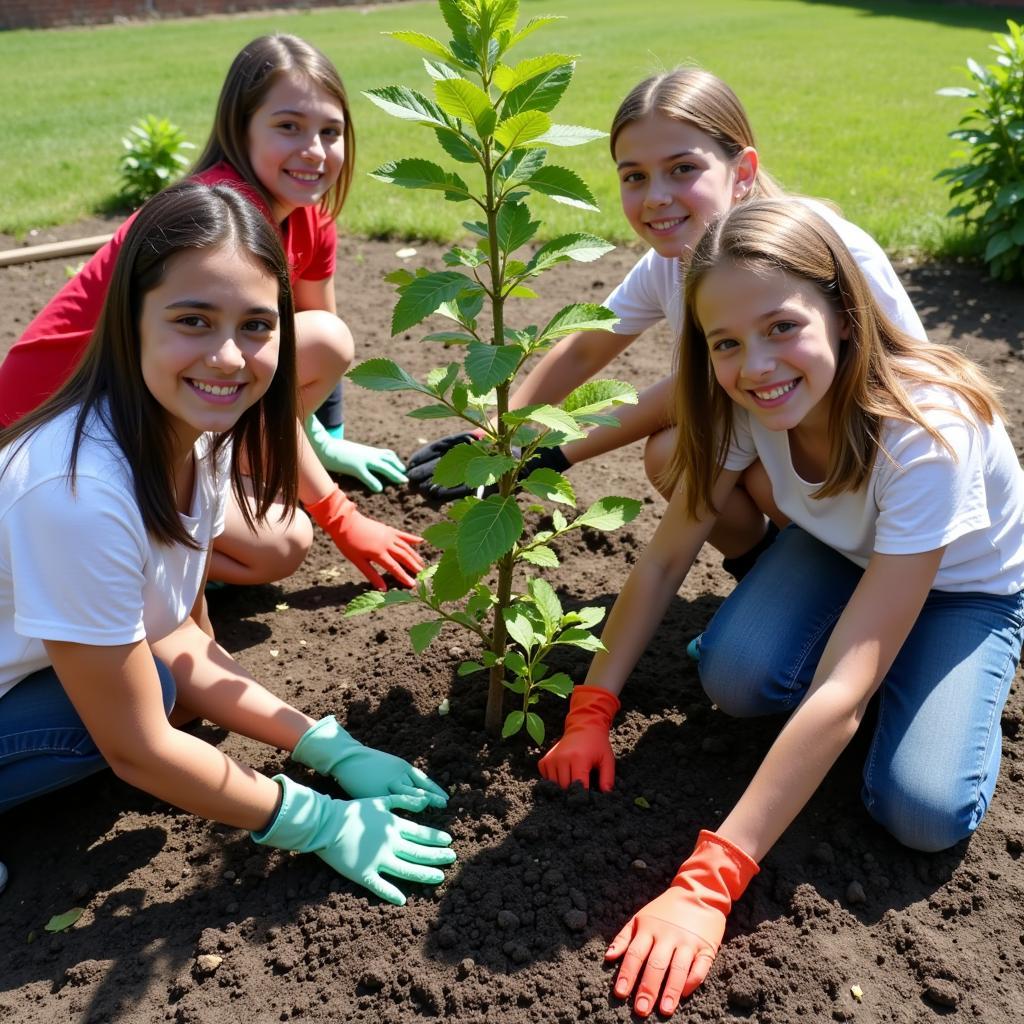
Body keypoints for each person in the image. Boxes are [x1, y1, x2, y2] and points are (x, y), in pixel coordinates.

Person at [539, 198, 1024, 1015]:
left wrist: (710, 879)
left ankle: (932, 677)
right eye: (725, 343)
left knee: (922, 809)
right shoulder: (742, 404)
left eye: (780, 326)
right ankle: (879, 686)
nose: (755, 365)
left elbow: (844, 683)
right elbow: (662, 561)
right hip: (844, 553)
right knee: (733, 678)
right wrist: (592, 707)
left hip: (966, 590)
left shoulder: (924, 434)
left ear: (840, 310)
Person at [0, 182, 455, 906]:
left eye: (255, 325)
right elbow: (137, 748)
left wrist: (325, 746)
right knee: (132, 714)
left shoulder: (195, 435)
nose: (229, 356)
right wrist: (311, 819)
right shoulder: (76, 491)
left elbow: (177, 631)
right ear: (131, 322)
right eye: (193, 319)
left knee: (165, 688)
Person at [406, 68, 925, 579]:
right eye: (635, 176)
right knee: (672, 455)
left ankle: (841, 587)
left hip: (880, 465)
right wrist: (506, 427)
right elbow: (588, 348)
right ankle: (768, 576)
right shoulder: (671, 262)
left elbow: (700, 389)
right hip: (794, 446)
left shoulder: (804, 250)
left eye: (682, 168)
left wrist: (555, 453)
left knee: (724, 465)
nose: (656, 196)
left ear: (741, 173)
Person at [0, 34, 421, 592]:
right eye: (288, 126)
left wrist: (327, 442)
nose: (315, 150)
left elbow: (304, 353)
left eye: (331, 131)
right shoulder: (217, 224)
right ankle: (94, 562)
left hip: (150, 402)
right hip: (53, 426)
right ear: (239, 127)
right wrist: (341, 517)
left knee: (325, 340)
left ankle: (150, 529)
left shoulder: (308, 213)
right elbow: (269, 380)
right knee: (283, 541)